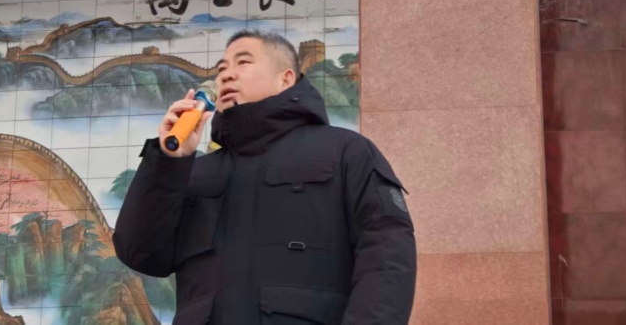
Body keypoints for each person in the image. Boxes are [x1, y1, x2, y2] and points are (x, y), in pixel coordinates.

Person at [113, 29, 416, 325]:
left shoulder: (345, 151)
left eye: (243, 62)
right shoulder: (193, 171)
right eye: (222, 69)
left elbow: (387, 256)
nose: (226, 76)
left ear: (286, 78)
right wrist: (168, 163)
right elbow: (141, 254)